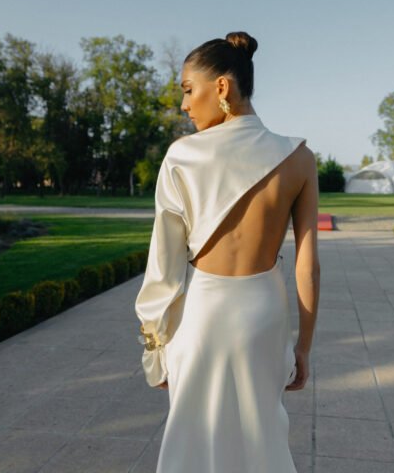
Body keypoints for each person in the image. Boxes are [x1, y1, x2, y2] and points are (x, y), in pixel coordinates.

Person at [134, 31, 320, 473]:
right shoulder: (300, 158)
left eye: (187, 90)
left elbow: (164, 264)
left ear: (221, 87)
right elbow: (308, 267)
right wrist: (304, 349)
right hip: (264, 314)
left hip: (203, 315)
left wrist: (154, 347)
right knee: (262, 436)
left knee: (191, 439)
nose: (183, 105)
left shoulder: (182, 156)